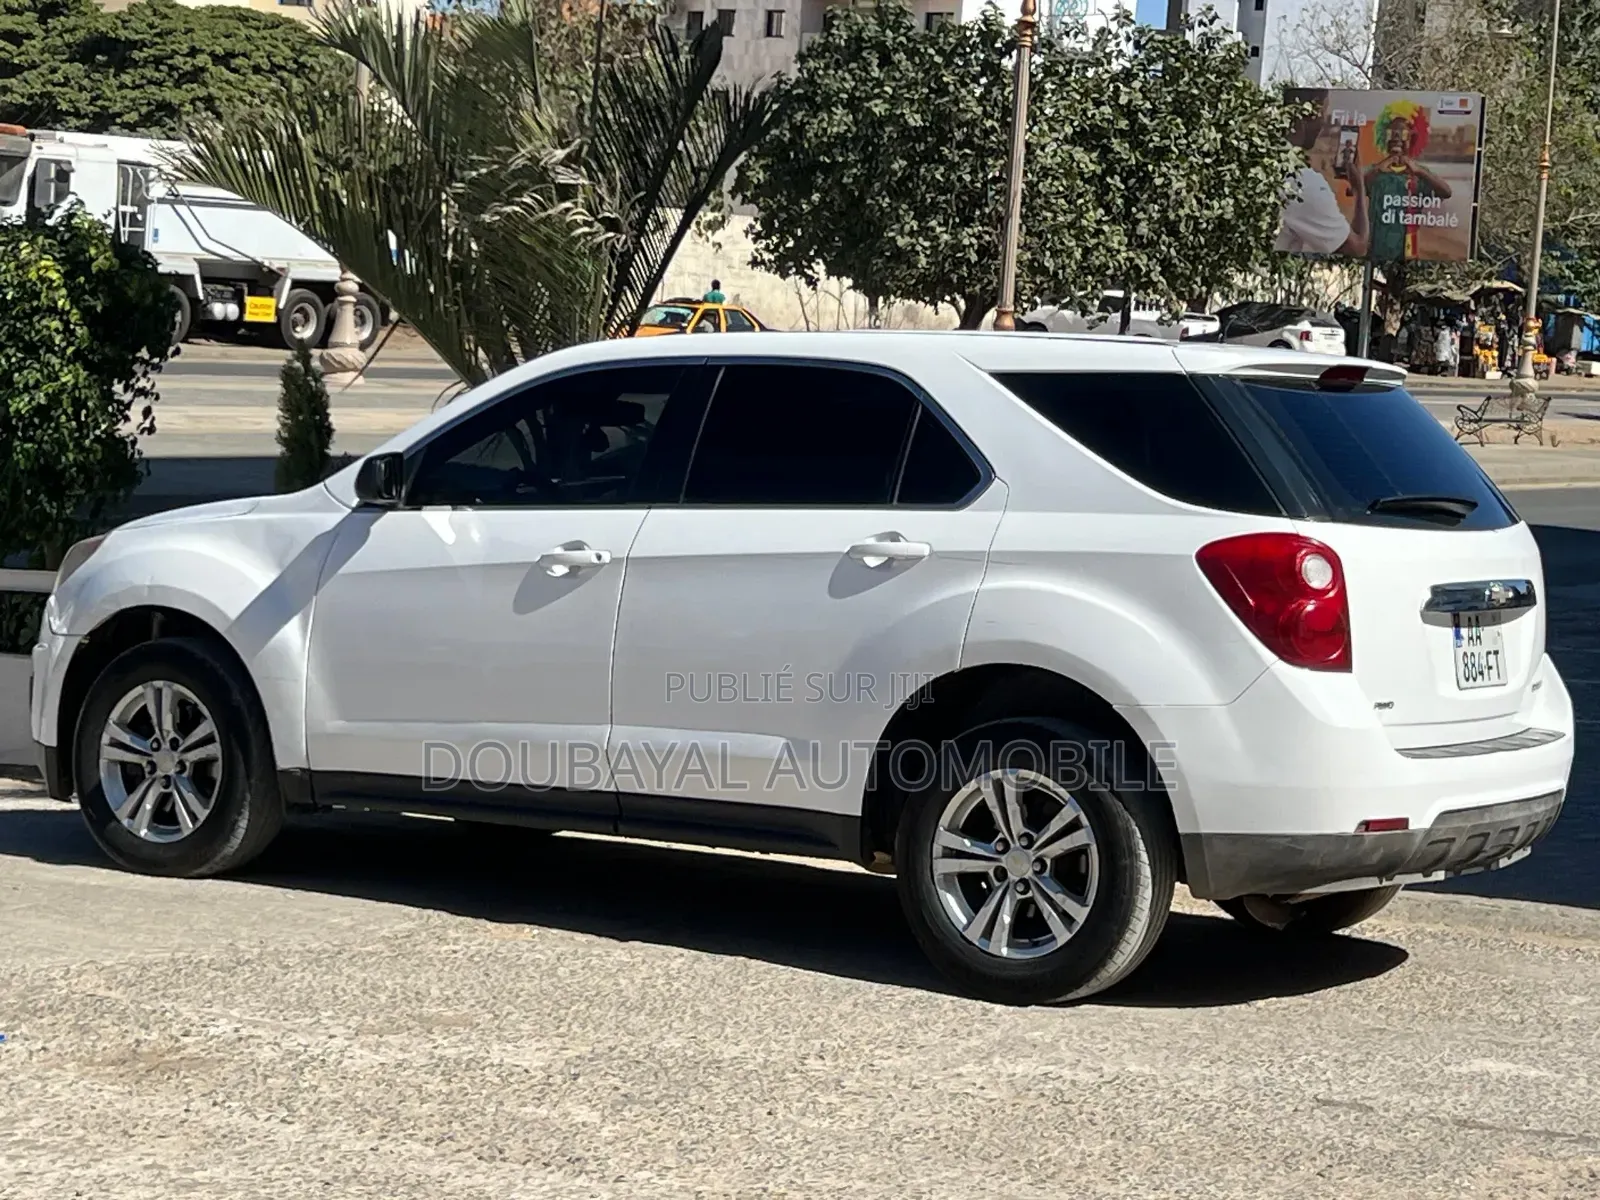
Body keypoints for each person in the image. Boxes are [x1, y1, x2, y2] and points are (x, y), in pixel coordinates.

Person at [1364, 101, 1452, 263]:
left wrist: (1420, 171)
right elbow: (1357, 188)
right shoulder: (1375, 171)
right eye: (1392, 133)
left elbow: (1446, 192)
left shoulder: (1418, 173)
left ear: (1412, 140)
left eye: (1403, 134)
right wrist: (1378, 169)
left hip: (1407, 253)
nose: (1397, 138)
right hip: (1377, 250)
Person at [1275, 108, 1369, 257]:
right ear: (1303, 120)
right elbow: (1358, 248)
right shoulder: (1306, 183)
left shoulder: (1269, 161)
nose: (1321, 124)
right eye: (1321, 117)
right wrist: (1359, 188)